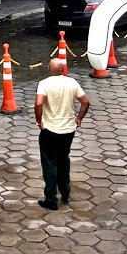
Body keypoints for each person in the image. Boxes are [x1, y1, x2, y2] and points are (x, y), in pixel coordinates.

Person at [34, 58, 90, 210]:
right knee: (64, 160)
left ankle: (51, 198)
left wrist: (39, 121)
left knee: (49, 163)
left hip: (50, 130)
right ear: (63, 69)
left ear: (49, 69)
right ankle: (65, 192)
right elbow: (85, 101)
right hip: (68, 130)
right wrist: (79, 118)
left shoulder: (44, 84)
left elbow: (39, 103)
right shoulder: (72, 83)